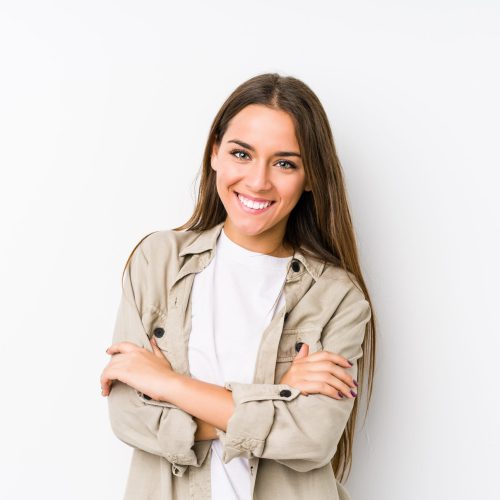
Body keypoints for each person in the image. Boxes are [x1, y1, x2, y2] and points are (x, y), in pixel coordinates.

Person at [100, 72, 377, 500]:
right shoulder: (158, 261)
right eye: (242, 154)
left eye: (285, 162)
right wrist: (280, 395)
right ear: (215, 153)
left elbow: (312, 437)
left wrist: (168, 385)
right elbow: (129, 416)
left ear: (309, 177)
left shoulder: (336, 297)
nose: (258, 181)